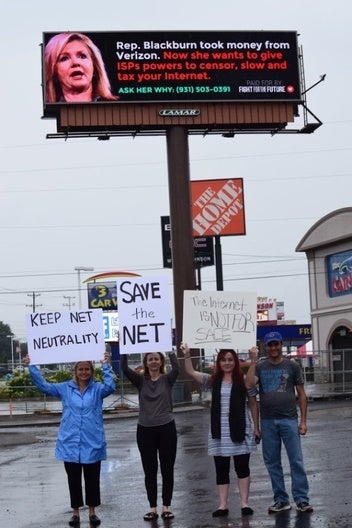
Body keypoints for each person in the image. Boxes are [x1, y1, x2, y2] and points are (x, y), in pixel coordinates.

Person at [25, 352, 115, 526]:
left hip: (92, 441)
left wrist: (105, 365)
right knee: (73, 479)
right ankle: (75, 512)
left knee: (92, 479)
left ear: (92, 371)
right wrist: (32, 367)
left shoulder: (98, 389)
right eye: (80, 369)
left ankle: (92, 511)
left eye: (87, 369)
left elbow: (110, 386)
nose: (84, 372)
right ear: (75, 370)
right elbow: (44, 386)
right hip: (70, 442)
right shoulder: (65, 388)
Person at [180, 343, 260, 518]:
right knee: (221, 469)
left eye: (230, 360)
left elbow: (252, 387)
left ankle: (244, 503)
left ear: (235, 361)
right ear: (219, 362)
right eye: (223, 360)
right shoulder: (212, 380)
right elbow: (191, 373)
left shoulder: (243, 378)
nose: (227, 363)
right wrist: (186, 355)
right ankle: (222, 505)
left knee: (242, 467)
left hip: (240, 428)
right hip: (220, 430)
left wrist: (253, 360)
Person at [246, 331, 313, 514]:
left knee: (296, 460)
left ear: (281, 345)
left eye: (276, 344)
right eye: (270, 345)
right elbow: (249, 385)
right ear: (265, 346)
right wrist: (252, 362)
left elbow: (301, 395)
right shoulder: (260, 366)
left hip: (289, 420)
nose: (274, 348)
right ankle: (281, 499)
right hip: (267, 421)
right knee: (272, 462)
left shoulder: (292, 366)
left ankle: (301, 499)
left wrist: (303, 421)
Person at [120, 350, 180, 521]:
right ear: (146, 363)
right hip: (145, 430)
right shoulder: (140, 381)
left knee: (167, 469)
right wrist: (124, 348)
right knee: (150, 470)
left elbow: (177, 369)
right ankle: (152, 507)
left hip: (166, 428)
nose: (153, 362)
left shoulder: (167, 379)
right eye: (150, 359)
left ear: (161, 362)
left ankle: (166, 507)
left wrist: (171, 351)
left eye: (156, 359)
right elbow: (124, 368)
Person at [45, 32, 119, 103]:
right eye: (64, 58)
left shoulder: (115, 108)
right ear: (53, 72)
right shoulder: (50, 112)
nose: (75, 63)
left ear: (95, 67)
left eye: (82, 56)